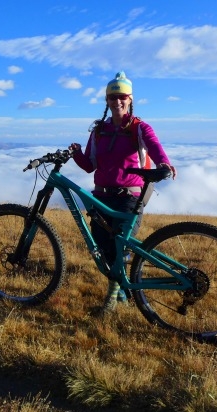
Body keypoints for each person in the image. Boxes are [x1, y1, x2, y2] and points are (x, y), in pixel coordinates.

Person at [67, 71, 176, 312]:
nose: (117, 101)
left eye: (122, 97)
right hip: (101, 196)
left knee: (121, 248)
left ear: (130, 100)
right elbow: (89, 165)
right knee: (104, 249)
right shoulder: (98, 132)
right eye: (112, 97)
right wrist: (76, 153)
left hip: (130, 196)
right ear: (106, 101)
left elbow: (154, 146)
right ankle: (123, 293)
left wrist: (164, 163)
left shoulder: (139, 128)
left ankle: (110, 302)